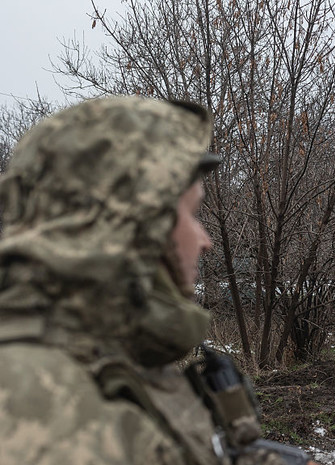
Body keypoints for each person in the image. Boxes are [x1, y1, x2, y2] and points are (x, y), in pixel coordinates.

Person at [0, 96, 316, 465]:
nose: (204, 240)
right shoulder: (42, 409)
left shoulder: (104, 350)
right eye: (192, 214)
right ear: (136, 225)